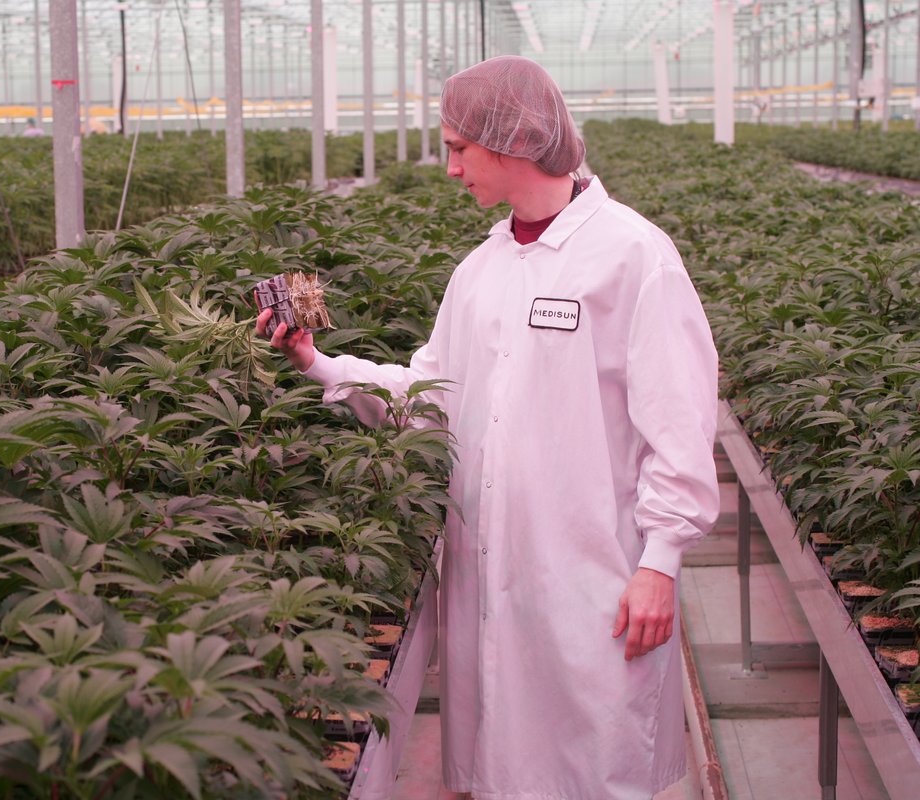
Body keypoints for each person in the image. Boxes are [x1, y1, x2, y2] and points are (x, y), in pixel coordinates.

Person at [257, 56, 719, 800]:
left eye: (457, 148)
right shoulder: (480, 271)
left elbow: (680, 424)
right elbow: (431, 399)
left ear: (513, 141)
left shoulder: (633, 258)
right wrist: (318, 364)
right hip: (488, 572)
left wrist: (660, 561)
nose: (449, 169)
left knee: (593, 770)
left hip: (592, 578)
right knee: (500, 767)